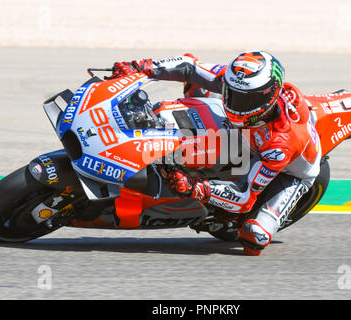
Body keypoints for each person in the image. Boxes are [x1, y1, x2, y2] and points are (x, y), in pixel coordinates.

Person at [109, 51, 322, 256]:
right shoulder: (241, 82)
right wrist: (141, 67)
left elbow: (244, 197)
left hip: (290, 172)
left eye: (244, 101)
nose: (235, 104)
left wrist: (196, 188)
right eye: (231, 94)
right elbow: (189, 65)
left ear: (267, 98)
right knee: (194, 84)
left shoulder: (280, 143)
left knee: (254, 238)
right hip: (247, 136)